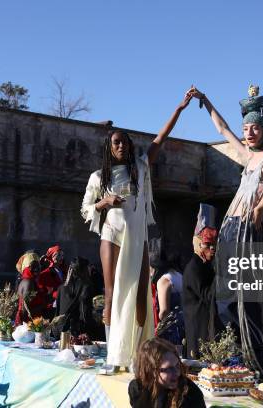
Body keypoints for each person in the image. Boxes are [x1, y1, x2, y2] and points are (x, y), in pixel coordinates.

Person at [81, 93, 193, 370]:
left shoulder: (140, 167)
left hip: (138, 237)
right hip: (112, 235)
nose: (120, 145)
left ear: (130, 146)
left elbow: (160, 139)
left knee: (142, 292)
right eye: (115, 142)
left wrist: (178, 108)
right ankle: (114, 356)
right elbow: (86, 208)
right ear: (109, 148)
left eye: (124, 141)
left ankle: (138, 355)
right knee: (111, 294)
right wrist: (105, 201)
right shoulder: (99, 177)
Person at [189, 85, 263, 379]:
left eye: (254, 127)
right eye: (246, 128)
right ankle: (231, 352)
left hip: (245, 230)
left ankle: (255, 355)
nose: (249, 132)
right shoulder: (246, 155)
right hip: (229, 226)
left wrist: (260, 206)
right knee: (225, 293)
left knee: (247, 293)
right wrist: (205, 100)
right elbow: (222, 128)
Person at [182, 204, 222, 360]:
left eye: (214, 245)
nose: (212, 248)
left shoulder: (205, 265)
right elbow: (208, 295)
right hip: (197, 329)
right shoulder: (194, 268)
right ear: (198, 244)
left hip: (205, 325)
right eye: (208, 245)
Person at [128, 337, 206, 408]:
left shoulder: (190, 394)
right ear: (152, 370)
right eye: (169, 369)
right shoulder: (137, 388)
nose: (177, 373)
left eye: (177, 365)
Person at [151, 251, 184, 349]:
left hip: (171, 330)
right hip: (182, 325)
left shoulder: (164, 281)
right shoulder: (178, 275)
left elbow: (164, 312)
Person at [55, 257, 94, 337]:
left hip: (59, 331)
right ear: (84, 270)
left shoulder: (61, 287)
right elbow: (84, 314)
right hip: (75, 333)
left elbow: (58, 312)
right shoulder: (86, 286)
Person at [15, 252, 45, 326]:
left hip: (31, 322)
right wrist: (44, 305)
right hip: (27, 325)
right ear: (26, 268)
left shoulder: (29, 281)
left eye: (38, 265)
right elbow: (25, 309)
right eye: (33, 266)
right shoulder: (28, 282)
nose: (36, 269)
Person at [38, 244, 65, 312]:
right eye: (58, 255)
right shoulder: (45, 273)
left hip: (62, 303)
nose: (61, 258)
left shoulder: (64, 271)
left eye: (62, 255)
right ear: (51, 257)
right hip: (51, 306)